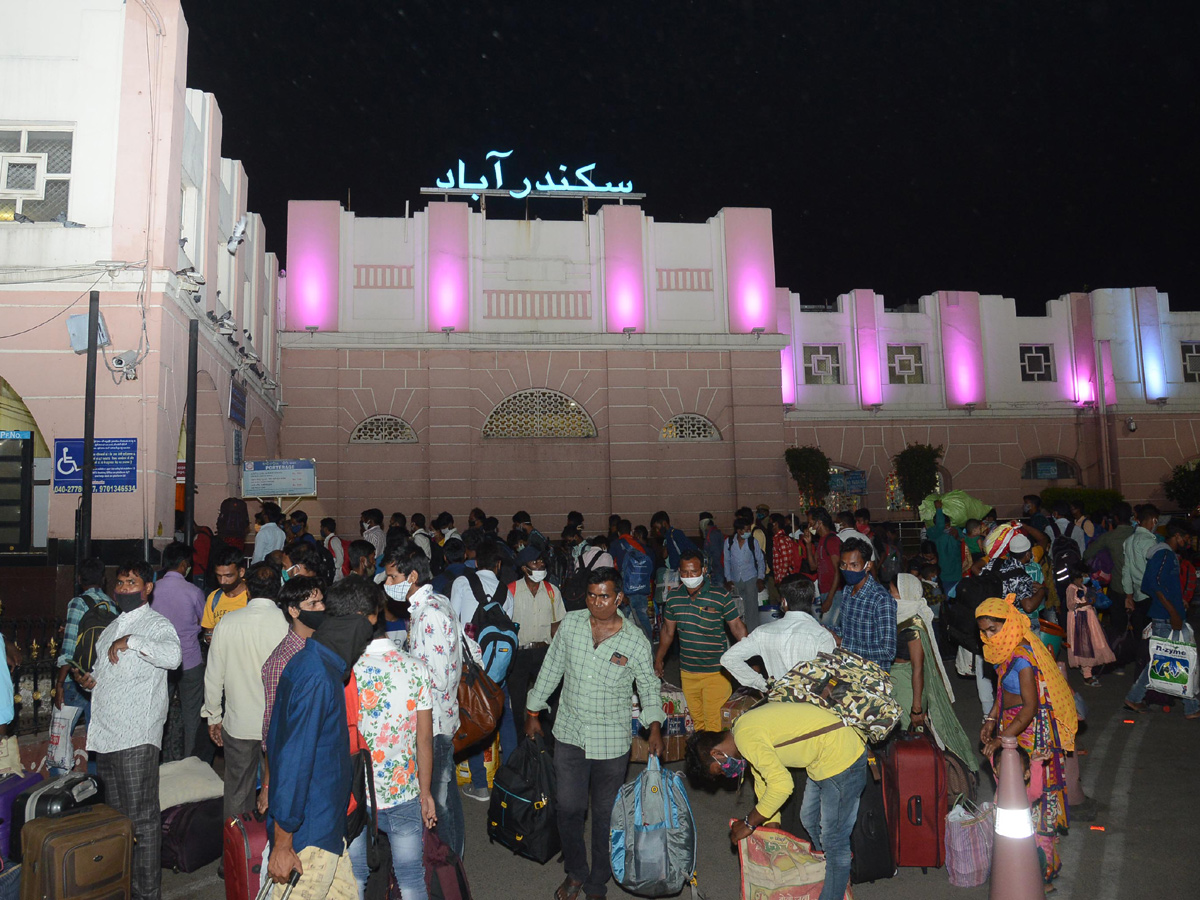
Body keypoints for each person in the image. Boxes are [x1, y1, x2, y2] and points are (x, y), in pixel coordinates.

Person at [525, 567, 663, 900]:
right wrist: (533, 710)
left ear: (618, 598)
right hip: (570, 732)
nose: (596, 602)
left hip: (612, 741)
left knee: (604, 814)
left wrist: (654, 724)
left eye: (603, 596)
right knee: (569, 808)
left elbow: (648, 685)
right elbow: (552, 668)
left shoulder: (634, 640)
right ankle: (575, 871)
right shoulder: (571, 624)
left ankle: (597, 880)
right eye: (590, 595)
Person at [265, 577, 378, 900]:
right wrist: (284, 843)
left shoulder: (318, 666)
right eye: (367, 630)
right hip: (308, 836)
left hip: (326, 826)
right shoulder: (317, 676)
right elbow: (293, 759)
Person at [685, 700, 867, 900]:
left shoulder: (746, 737)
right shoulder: (740, 729)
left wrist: (749, 823)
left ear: (716, 753)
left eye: (720, 769)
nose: (726, 774)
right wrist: (773, 827)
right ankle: (826, 873)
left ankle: (834, 884)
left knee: (835, 841)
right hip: (823, 757)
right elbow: (763, 780)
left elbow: (781, 785)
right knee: (808, 818)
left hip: (841, 757)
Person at [81, 560, 181, 900]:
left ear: (147, 587)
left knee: (142, 819)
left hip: (137, 734)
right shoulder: (111, 627)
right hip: (108, 735)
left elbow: (173, 656)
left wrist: (134, 640)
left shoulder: (156, 624)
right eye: (121, 583)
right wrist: (89, 680)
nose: (124, 589)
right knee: (118, 819)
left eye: (132, 583)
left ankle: (147, 893)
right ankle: (122, 886)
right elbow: (103, 673)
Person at [976, 597, 1078, 885]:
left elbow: (1030, 706)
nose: (988, 636)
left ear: (1007, 624)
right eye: (984, 631)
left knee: (1036, 797)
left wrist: (1002, 739)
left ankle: (1043, 868)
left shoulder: (1022, 657)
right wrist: (992, 719)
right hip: (1013, 726)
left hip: (1031, 731)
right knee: (1014, 795)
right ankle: (1019, 861)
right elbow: (1002, 691)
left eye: (993, 629)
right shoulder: (1004, 651)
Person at [346, 589, 437, 900]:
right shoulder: (415, 668)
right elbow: (424, 739)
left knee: (355, 875)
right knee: (411, 877)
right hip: (404, 790)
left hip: (355, 791)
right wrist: (426, 793)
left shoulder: (347, 671)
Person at [393, 543, 469, 858]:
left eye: (391, 576)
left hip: (435, 719)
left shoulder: (431, 614)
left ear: (411, 576)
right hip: (434, 716)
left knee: (440, 796)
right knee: (441, 792)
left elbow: (436, 676)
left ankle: (450, 864)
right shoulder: (431, 604)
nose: (387, 584)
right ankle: (447, 861)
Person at [203, 563, 289, 821]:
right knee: (281, 788)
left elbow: (213, 675)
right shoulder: (289, 624)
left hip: (239, 722)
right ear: (279, 588)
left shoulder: (228, 622)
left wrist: (213, 716)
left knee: (238, 790)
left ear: (248, 588)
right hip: (280, 723)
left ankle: (235, 856)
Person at [889, 574, 978, 771]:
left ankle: (918, 782)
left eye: (892, 591)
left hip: (907, 688)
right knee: (900, 742)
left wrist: (917, 707)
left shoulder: (912, 624)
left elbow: (918, 668)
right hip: (896, 682)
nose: (889, 594)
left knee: (909, 742)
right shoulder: (897, 616)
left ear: (905, 594)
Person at [654, 549, 747, 730]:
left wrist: (751, 656)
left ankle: (713, 757)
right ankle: (705, 757)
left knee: (713, 725)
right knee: (698, 725)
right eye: (685, 573)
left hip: (717, 672)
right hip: (688, 673)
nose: (689, 576)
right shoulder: (673, 598)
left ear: (704, 570)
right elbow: (667, 631)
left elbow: (737, 627)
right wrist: (659, 659)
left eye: (694, 572)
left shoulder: (720, 596)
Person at [258, 576, 327, 815]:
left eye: (321, 602)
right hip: (296, 766)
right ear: (294, 611)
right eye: (313, 605)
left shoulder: (321, 645)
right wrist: (268, 783)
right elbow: (272, 728)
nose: (321, 608)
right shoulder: (282, 661)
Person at [1125, 522, 1199, 718]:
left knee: (1170, 659)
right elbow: (1151, 583)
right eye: (1185, 538)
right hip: (1166, 617)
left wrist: (1178, 601)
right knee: (1171, 660)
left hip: (1169, 615)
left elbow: (1160, 585)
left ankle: (1135, 697)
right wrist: (1172, 611)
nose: (1187, 542)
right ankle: (1191, 706)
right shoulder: (1164, 555)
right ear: (1176, 536)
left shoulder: (1169, 556)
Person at [721, 575, 835, 691]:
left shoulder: (763, 633)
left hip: (777, 702)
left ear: (783, 601)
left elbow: (729, 659)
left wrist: (763, 685)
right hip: (810, 704)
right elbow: (831, 677)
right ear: (812, 600)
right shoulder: (822, 636)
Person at [504, 546, 566, 760]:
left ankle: (547, 748)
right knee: (518, 703)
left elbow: (558, 624)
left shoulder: (552, 591)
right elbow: (503, 625)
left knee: (547, 701)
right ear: (524, 568)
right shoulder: (510, 591)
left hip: (544, 653)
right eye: (535, 563)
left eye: (541, 562)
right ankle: (523, 751)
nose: (540, 566)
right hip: (518, 655)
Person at [152, 542, 206, 759]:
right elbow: (205, 622)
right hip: (189, 660)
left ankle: (159, 758)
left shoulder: (152, 590)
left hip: (159, 661)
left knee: (158, 714)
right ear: (184, 564)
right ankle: (189, 760)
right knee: (192, 715)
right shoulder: (194, 591)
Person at [54, 556, 117, 728]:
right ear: (103, 580)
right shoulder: (113, 606)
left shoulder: (78, 603)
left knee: (62, 736)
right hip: (101, 679)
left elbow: (69, 648)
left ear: (79, 579)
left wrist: (60, 684)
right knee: (96, 737)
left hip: (77, 678)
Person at [833, 538, 896, 670]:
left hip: (871, 676)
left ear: (868, 566)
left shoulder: (881, 599)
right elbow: (847, 631)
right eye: (843, 565)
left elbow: (888, 651)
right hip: (849, 668)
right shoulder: (848, 590)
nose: (847, 570)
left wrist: (843, 643)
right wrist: (827, 630)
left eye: (854, 565)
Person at [1064, 562, 1115, 687]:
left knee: (1092, 643)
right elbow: (1070, 605)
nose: (1086, 577)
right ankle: (1087, 674)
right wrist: (1085, 602)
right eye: (1083, 575)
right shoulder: (1071, 588)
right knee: (1085, 646)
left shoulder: (1083, 587)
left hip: (1088, 617)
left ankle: (1088, 669)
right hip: (1079, 618)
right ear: (1077, 576)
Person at [611, 520, 654, 641]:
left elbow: (611, 567)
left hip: (625, 591)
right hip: (641, 589)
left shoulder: (615, 544)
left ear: (618, 532)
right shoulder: (640, 545)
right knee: (644, 623)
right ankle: (649, 652)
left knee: (620, 623)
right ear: (631, 531)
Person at [723, 515, 766, 634]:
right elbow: (726, 561)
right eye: (746, 530)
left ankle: (753, 635)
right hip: (735, 580)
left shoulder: (752, 542)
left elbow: (760, 560)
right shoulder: (729, 542)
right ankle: (739, 634)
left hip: (750, 578)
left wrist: (760, 578)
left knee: (751, 610)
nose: (748, 532)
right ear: (739, 531)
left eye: (748, 530)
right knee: (737, 609)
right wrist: (728, 579)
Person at [202, 545, 250, 646]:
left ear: (241, 572)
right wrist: (208, 636)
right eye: (219, 576)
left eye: (228, 576)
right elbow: (208, 630)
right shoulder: (214, 598)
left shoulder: (252, 597)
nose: (223, 581)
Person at [803, 508, 842, 623]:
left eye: (811, 523)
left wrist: (830, 599)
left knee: (828, 629)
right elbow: (813, 567)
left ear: (819, 523)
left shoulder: (832, 541)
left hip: (835, 593)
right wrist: (809, 546)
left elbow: (838, 571)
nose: (809, 527)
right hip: (826, 592)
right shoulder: (821, 541)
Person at [699, 512, 725, 577]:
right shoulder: (711, 533)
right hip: (715, 569)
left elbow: (716, 555)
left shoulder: (713, 534)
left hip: (716, 570)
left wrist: (712, 570)